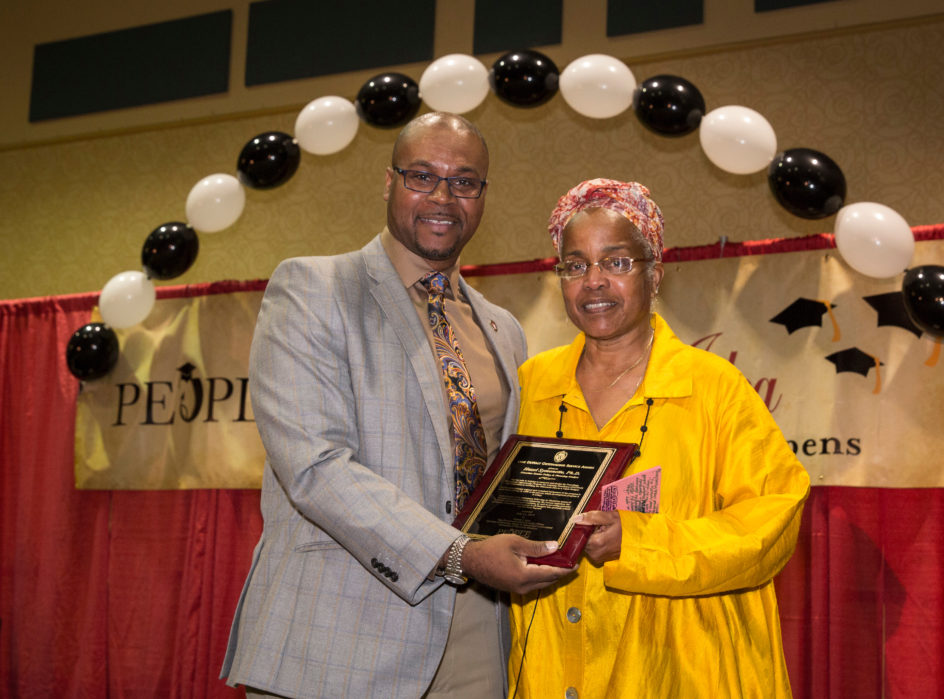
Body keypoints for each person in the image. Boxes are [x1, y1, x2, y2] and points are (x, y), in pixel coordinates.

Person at [222, 112, 571, 698]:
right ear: (390, 183)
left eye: (464, 181)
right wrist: (461, 555)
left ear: (483, 196)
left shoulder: (502, 328)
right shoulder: (313, 290)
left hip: (479, 636)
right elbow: (316, 468)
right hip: (338, 636)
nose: (443, 196)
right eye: (422, 176)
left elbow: (505, 475)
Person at [507, 179, 810, 697]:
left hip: (683, 666)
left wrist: (642, 541)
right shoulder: (530, 384)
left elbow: (774, 519)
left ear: (656, 275)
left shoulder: (714, 387)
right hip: (550, 664)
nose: (594, 282)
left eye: (617, 262)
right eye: (575, 265)